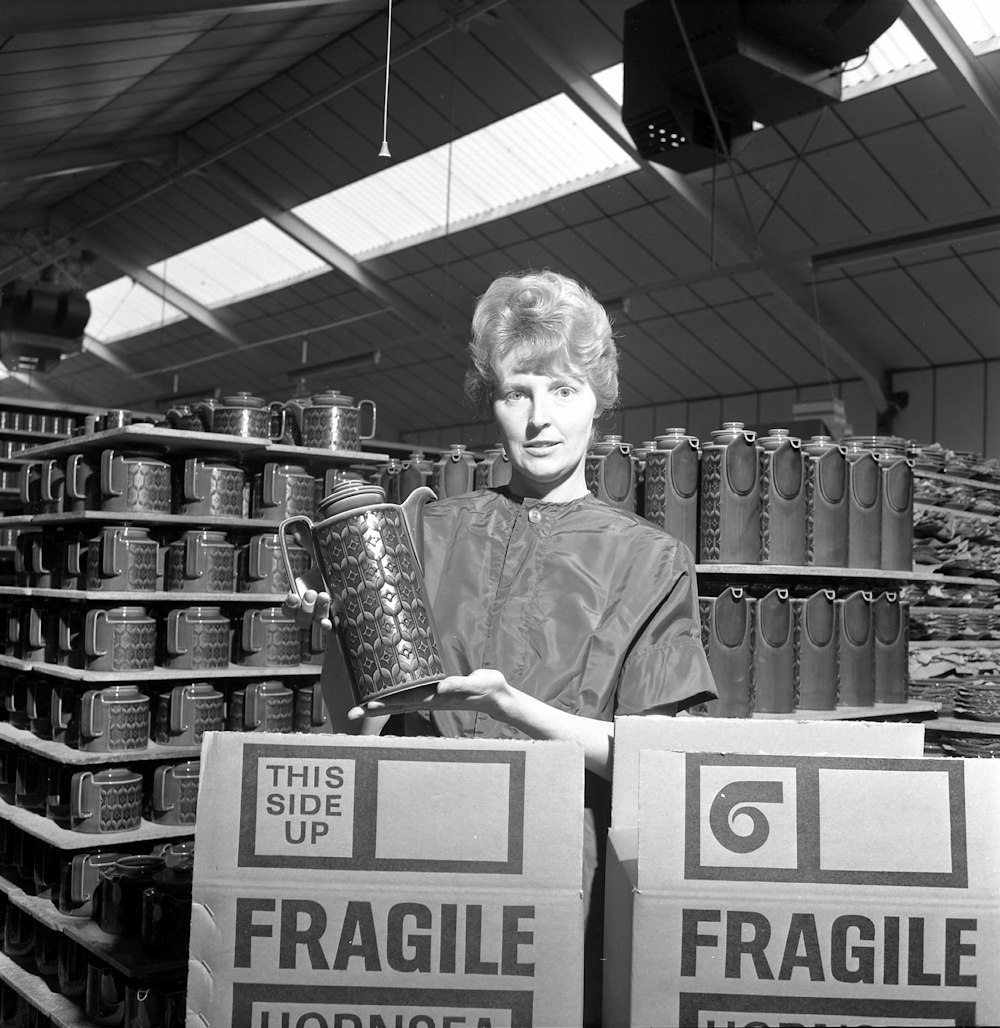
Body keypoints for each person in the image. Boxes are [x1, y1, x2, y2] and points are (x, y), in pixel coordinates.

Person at [284, 268, 717, 1025]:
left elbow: (657, 762)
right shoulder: (425, 531)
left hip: (561, 868)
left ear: (600, 402)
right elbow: (355, 725)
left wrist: (508, 705)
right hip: (415, 844)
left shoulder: (649, 559)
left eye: (563, 390)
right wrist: (342, 647)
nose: (540, 418)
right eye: (518, 392)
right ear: (492, 402)